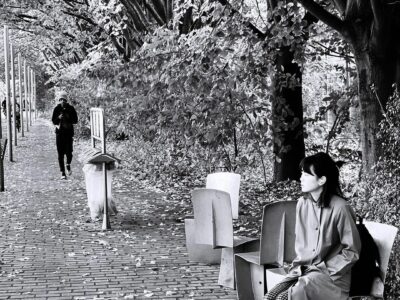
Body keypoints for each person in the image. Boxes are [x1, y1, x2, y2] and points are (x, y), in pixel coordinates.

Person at [264, 152, 361, 300]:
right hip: (303, 270)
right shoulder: (302, 204)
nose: (301, 178)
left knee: (284, 298)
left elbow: (352, 251)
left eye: (307, 174)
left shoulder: (341, 208)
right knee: (270, 296)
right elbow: (301, 243)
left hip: (332, 277)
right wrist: (298, 268)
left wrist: (327, 269)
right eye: (302, 173)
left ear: (322, 180)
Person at [51, 91, 78, 179]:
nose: (62, 101)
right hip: (59, 134)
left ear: (66, 100)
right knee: (60, 154)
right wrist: (58, 118)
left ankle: (68, 164)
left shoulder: (71, 108)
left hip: (69, 134)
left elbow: (75, 120)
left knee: (69, 152)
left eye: (64, 99)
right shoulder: (56, 109)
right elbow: (53, 121)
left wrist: (68, 116)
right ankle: (62, 172)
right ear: (59, 100)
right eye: (61, 99)